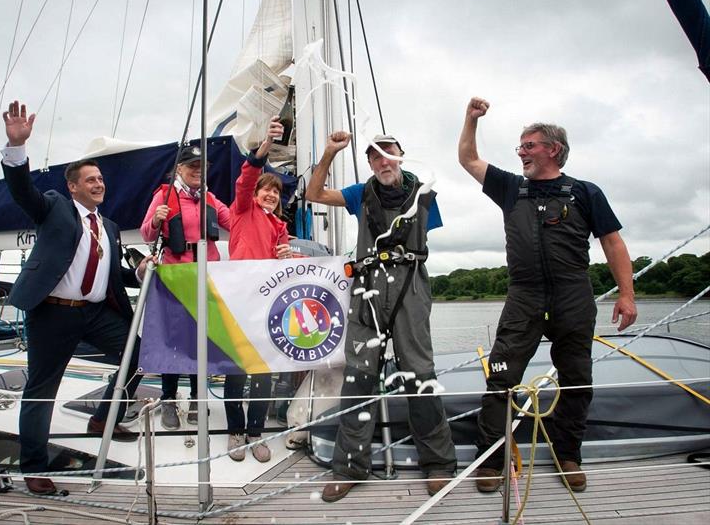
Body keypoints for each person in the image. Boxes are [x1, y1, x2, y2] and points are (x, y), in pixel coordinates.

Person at [457, 97, 638, 493]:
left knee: (576, 378)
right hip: (524, 295)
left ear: (552, 149)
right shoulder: (509, 187)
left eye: (528, 145)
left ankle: (568, 454)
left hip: (574, 293)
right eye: (519, 146)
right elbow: (468, 159)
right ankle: (490, 458)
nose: (520, 151)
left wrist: (627, 294)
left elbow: (613, 243)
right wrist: (470, 119)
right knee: (502, 377)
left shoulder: (587, 192)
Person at [1, 100, 149, 495]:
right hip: (52, 313)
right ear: (73, 186)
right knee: (42, 389)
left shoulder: (112, 227)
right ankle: (33, 466)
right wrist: (16, 148)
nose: (98, 184)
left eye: (100, 179)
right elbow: (22, 192)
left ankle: (103, 418)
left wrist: (137, 272)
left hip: (97, 312)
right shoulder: (54, 208)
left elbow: (109, 273)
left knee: (138, 356)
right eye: (90, 180)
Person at [306, 131, 458, 502]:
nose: (382, 161)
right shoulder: (361, 193)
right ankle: (349, 466)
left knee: (419, 372)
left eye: (388, 153)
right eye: (374, 157)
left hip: (411, 286)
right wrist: (328, 153)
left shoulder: (425, 194)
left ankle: (438, 462)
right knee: (359, 376)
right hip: (368, 288)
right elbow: (314, 194)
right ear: (370, 164)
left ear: (401, 155)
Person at [140, 145, 231, 430]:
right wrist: (156, 220)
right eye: (191, 165)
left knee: (198, 341)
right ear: (179, 169)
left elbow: (235, 222)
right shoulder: (164, 196)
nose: (197, 170)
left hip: (206, 276)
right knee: (173, 341)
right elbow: (146, 234)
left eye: (201, 165)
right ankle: (168, 398)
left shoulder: (211, 199)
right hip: (175, 276)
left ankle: (196, 398)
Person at [224, 116, 291, 463]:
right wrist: (265, 145)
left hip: (268, 306)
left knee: (263, 372)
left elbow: (287, 271)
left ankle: (255, 433)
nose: (270, 194)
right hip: (239, 302)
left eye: (276, 191)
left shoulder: (281, 228)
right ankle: (235, 432)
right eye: (266, 188)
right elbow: (247, 175)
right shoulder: (242, 209)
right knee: (236, 370)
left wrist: (287, 255)